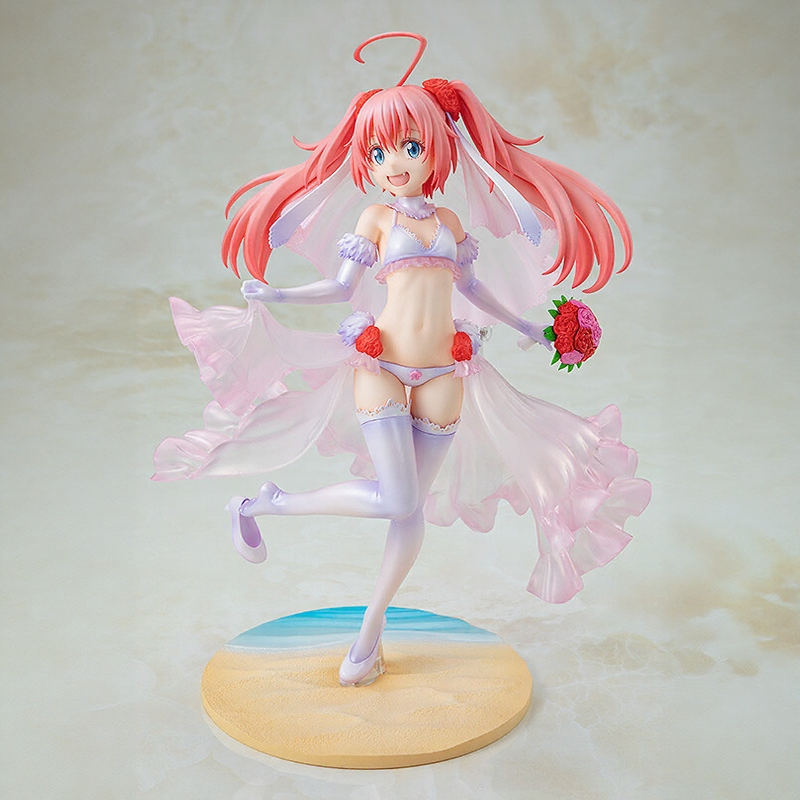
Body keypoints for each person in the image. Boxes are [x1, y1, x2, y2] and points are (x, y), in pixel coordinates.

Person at [153, 33, 651, 687]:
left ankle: (368, 637)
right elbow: (339, 287)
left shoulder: (449, 224)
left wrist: (527, 324)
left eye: (410, 148)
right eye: (379, 152)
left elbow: (473, 288)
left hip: (446, 371)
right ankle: (267, 503)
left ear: (437, 151)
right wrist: (277, 294)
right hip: (381, 364)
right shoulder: (374, 220)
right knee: (398, 498)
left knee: (408, 512)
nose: (394, 164)